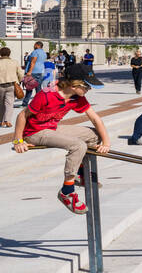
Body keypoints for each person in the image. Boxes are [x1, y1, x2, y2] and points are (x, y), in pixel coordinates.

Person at [11, 62, 110, 214]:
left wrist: (106, 142)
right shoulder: (46, 95)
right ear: (74, 84)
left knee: (94, 135)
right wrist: (18, 140)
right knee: (78, 145)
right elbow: (22, 115)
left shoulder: (77, 97)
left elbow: (96, 119)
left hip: (51, 128)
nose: (88, 90)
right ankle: (67, 191)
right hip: (34, 133)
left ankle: (79, 174)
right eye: (87, 86)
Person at [21, 41, 48, 106]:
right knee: (38, 88)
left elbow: (33, 62)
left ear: (37, 45)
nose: (34, 46)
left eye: (34, 45)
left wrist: (29, 71)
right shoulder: (44, 53)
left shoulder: (35, 52)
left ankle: (25, 103)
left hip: (33, 72)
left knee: (29, 88)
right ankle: (40, 103)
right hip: (41, 71)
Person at [0, 46, 20, 128]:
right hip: (11, 85)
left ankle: (1, 121)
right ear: (9, 54)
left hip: (0, 85)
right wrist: (18, 80)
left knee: (1, 104)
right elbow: (21, 73)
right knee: (9, 103)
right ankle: (7, 121)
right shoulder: (14, 62)